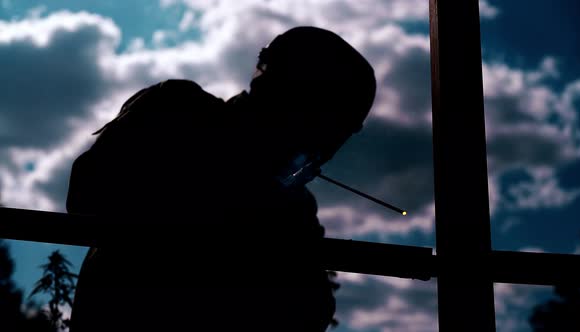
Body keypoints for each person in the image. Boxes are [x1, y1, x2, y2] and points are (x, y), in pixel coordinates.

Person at [67, 26, 376, 331]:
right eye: (321, 125)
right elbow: (87, 192)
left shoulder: (294, 211)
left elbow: (311, 313)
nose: (323, 150)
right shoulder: (177, 110)